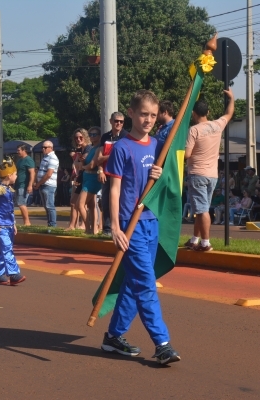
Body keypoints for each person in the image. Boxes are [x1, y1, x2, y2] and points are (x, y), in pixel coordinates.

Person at [102, 89, 180, 365]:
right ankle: (162, 343)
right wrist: (115, 227)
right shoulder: (122, 147)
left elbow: (167, 180)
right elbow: (114, 189)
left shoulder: (158, 146)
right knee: (146, 284)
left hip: (151, 222)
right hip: (129, 225)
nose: (148, 120)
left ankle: (113, 336)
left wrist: (160, 174)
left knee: (134, 284)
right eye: (143, 114)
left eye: (153, 115)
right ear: (131, 113)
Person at [184, 88, 234, 252]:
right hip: (212, 175)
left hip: (197, 173)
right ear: (208, 112)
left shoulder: (194, 130)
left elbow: (187, 154)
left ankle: (205, 243)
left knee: (202, 210)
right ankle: (195, 239)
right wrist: (231, 98)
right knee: (201, 208)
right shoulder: (217, 125)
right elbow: (229, 113)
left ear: (193, 113)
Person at [0, 159, 26, 285]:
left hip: (9, 225)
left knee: (2, 250)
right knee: (7, 249)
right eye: (15, 174)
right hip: (1, 226)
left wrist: (14, 223)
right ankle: (14, 274)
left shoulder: (9, 190)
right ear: (9, 175)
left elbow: (10, 210)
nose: (16, 176)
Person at [99, 112, 128, 236]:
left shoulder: (126, 136)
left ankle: (121, 228)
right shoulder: (105, 137)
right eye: (116, 121)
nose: (119, 123)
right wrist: (100, 170)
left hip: (121, 174)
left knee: (121, 201)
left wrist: (108, 157)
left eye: (121, 121)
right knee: (106, 201)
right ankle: (107, 229)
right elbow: (99, 158)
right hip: (107, 173)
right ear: (111, 121)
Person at [78, 127, 104, 234]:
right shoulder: (92, 148)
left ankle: (88, 228)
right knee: (91, 205)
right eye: (90, 135)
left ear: (100, 136)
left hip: (93, 178)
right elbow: (87, 164)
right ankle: (94, 229)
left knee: (80, 204)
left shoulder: (99, 148)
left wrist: (83, 167)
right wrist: (83, 162)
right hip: (87, 177)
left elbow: (92, 165)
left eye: (95, 134)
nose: (92, 136)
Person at [67, 129, 91, 230]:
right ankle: (72, 226)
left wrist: (78, 163)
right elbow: (76, 165)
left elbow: (81, 164)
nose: (78, 139)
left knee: (89, 205)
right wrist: (78, 163)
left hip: (89, 177)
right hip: (81, 177)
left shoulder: (88, 148)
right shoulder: (80, 149)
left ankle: (89, 227)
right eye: (76, 138)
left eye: (81, 137)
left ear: (85, 137)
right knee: (74, 202)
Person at [33, 140, 59, 227]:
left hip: (49, 185)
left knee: (50, 206)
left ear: (51, 148)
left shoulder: (53, 158)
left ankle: (53, 225)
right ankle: (49, 224)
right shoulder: (45, 157)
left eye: (45, 147)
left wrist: (39, 183)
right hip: (43, 185)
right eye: (42, 147)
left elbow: (49, 174)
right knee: (46, 206)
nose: (43, 149)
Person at [15, 144, 36, 226]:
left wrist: (30, 185)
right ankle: (25, 222)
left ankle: (27, 222)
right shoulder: (20, 160)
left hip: (24, 185)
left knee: (21, 203)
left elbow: (32, 173)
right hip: (18, 184)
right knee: (19, 203)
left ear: (24, 150)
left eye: (19, 150)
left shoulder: (28, 160)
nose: (17, 152)